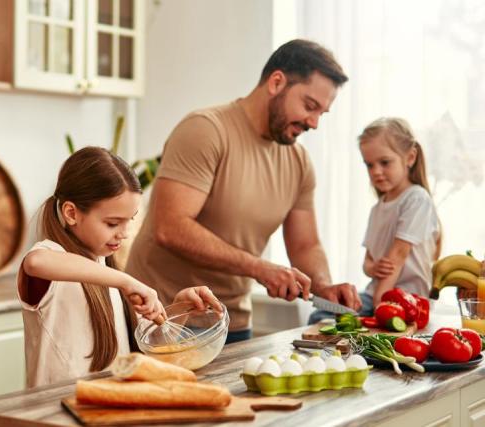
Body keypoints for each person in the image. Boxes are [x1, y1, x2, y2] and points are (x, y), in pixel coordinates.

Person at [125, 39, 361, 344]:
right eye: (309, 106)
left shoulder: (299, 162)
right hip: (162, 318)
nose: (313, 123)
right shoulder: (206, 130)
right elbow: (170, 227)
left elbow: (305, 245)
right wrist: (259, 268)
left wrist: (324, 286)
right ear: (277, 82)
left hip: (231, 324)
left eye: (321, 114)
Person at [18, 147, 223, 388]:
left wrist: (180, 308)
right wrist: (125, 281)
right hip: (52, 413)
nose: (124, 233)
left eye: (130, 220)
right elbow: (35, 262)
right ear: (71, 213)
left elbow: (149, 348)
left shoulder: (106, 269)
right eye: (113, 223)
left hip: (104, 409)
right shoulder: (52, 260)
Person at [310, 118, 440, 322]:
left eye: (385, 162)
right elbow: (368, 261)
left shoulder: (416, 199)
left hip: (407, 299)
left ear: (410, 157)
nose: (376, 171)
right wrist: (372, 268)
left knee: (327, 319)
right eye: (369, 165)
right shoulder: (377, 208)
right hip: (375, 294)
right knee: (321, 316)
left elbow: (397, 258)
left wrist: (381, 307)